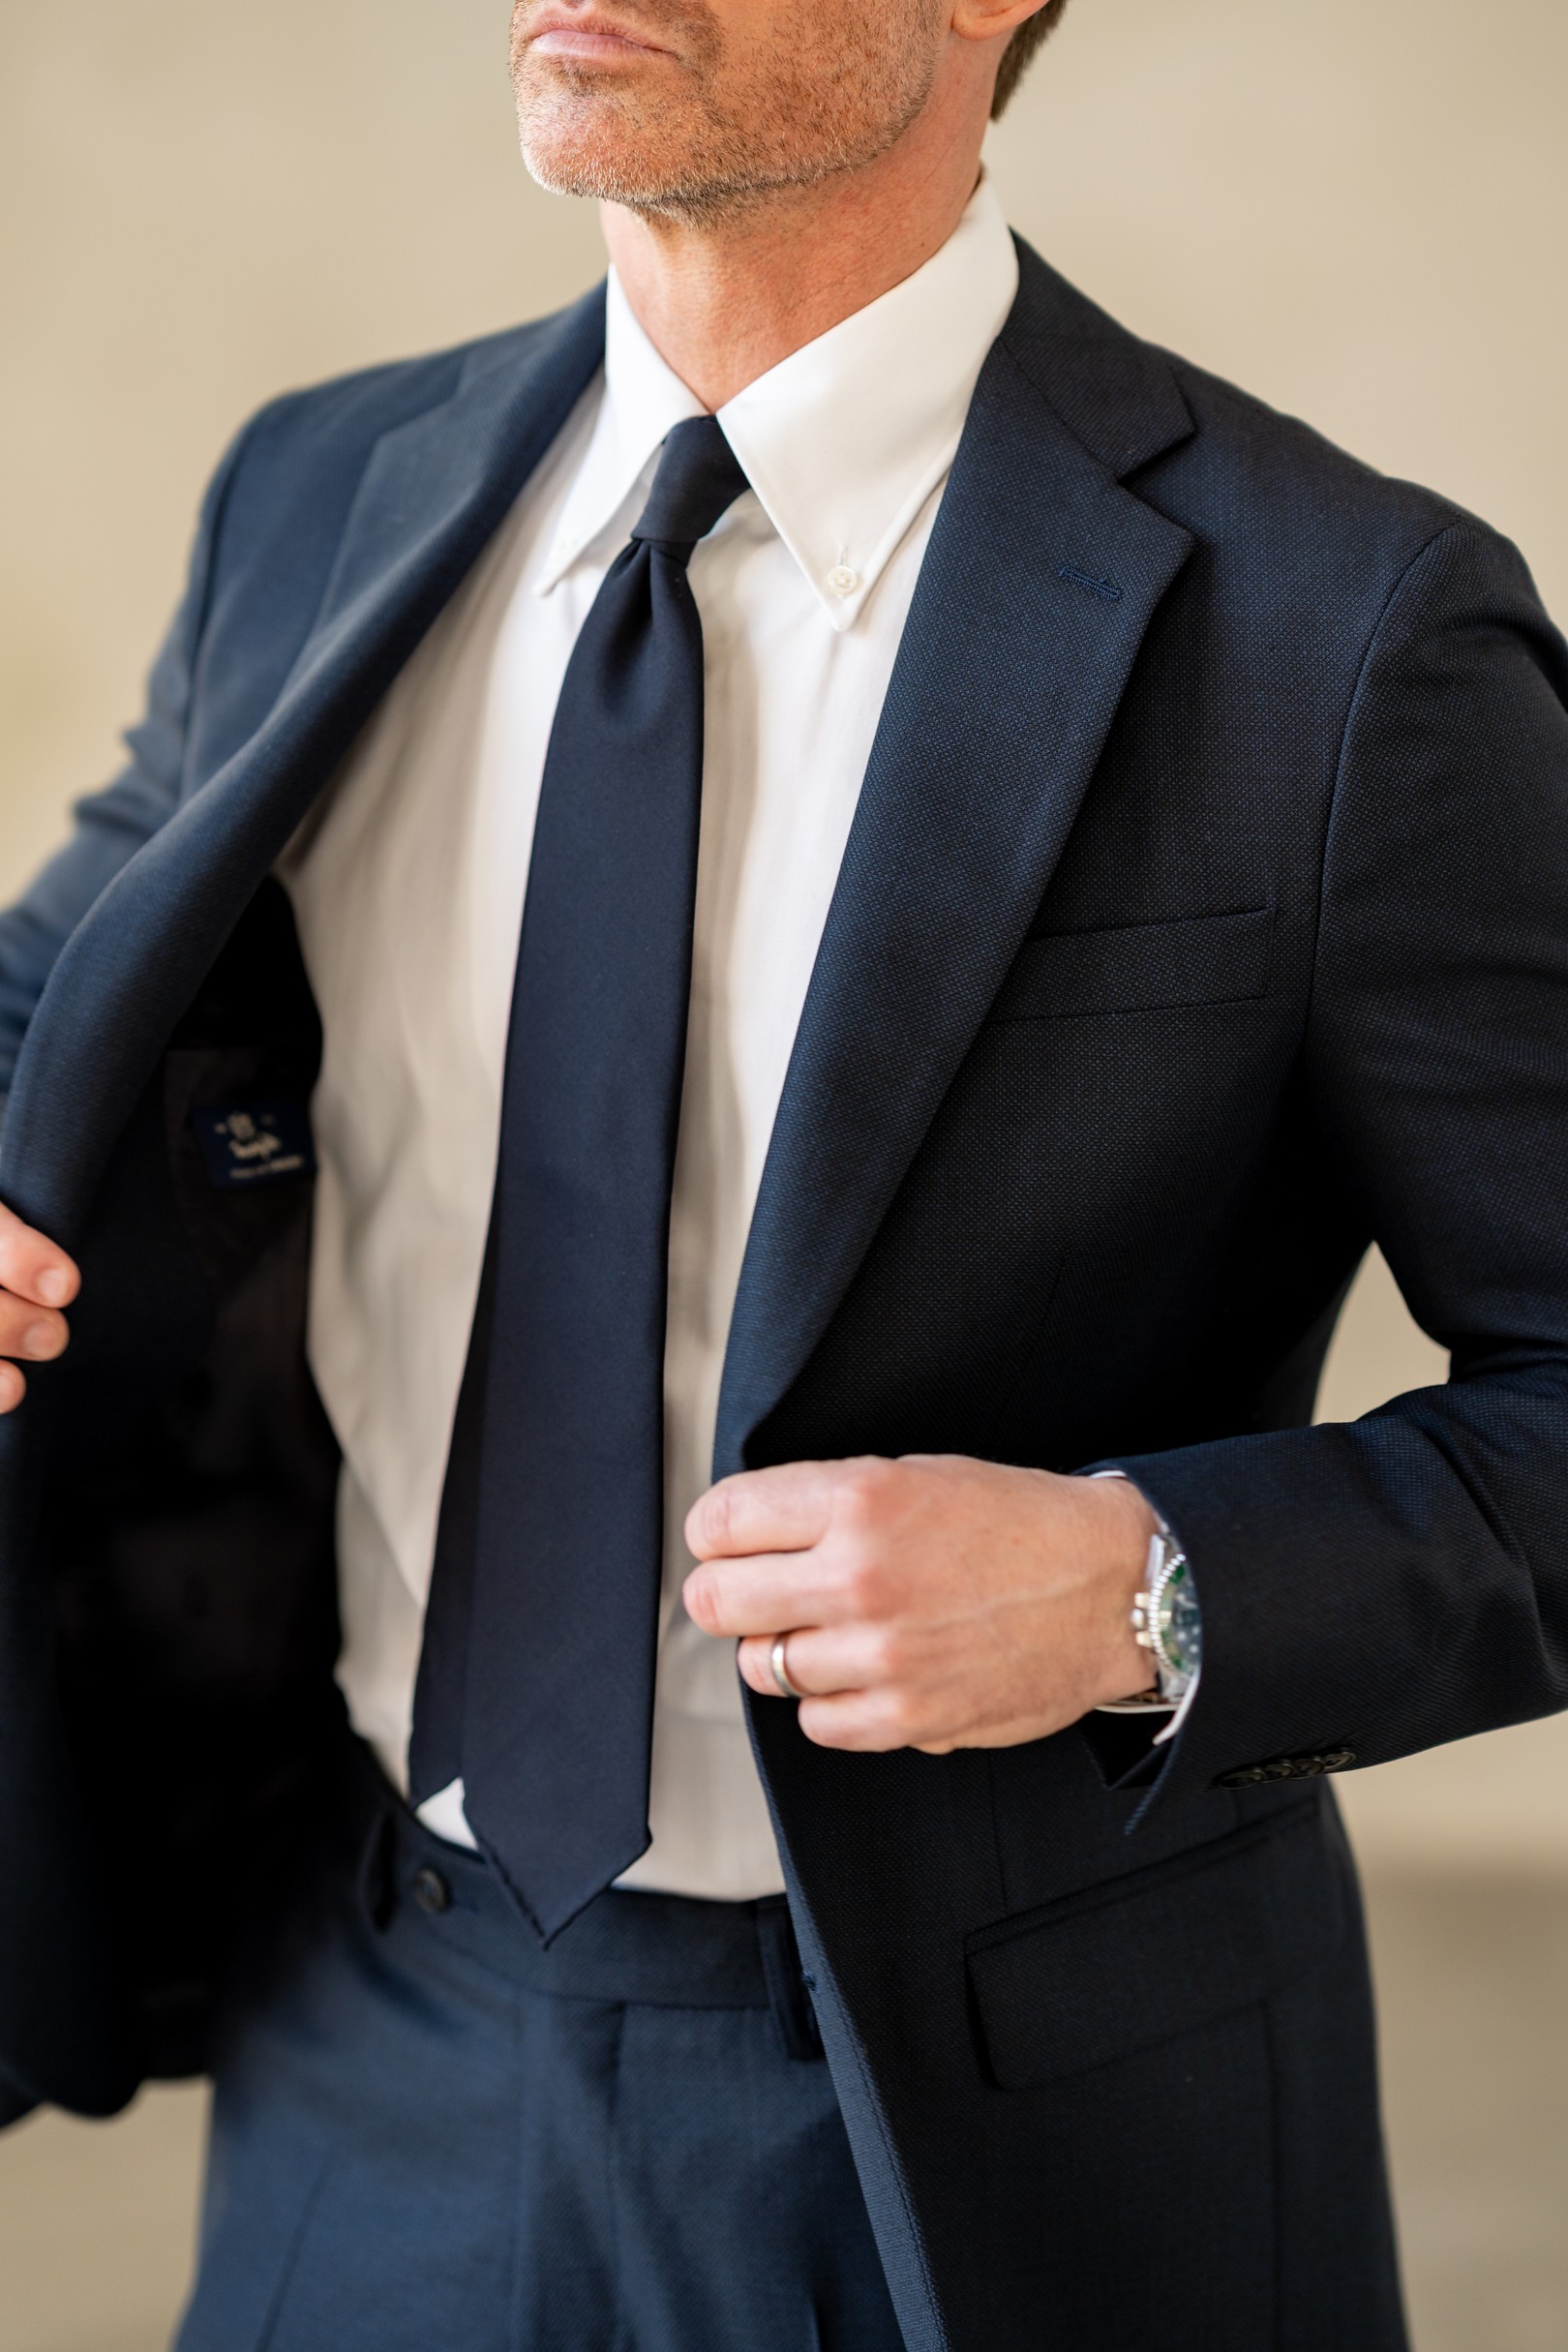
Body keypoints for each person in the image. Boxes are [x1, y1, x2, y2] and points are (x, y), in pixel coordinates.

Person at [1, 0, 1565, 2341]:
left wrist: (1148, 1584)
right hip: (368, 2038)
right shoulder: (312, 496)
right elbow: (72, 996)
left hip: (1012, 2143)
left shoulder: (1347, 635)